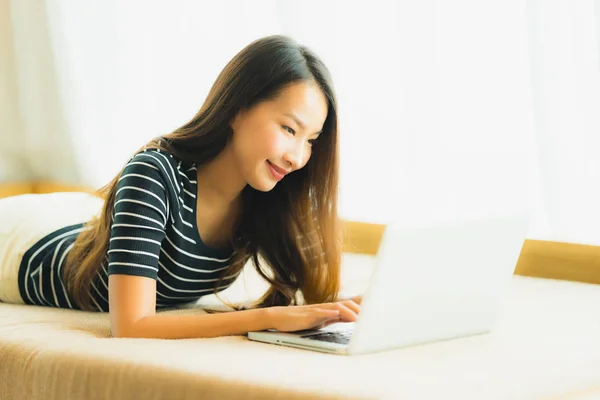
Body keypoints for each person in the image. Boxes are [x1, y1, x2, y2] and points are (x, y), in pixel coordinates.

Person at [0, 34, 361, 339]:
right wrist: (267, 319)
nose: (298, 157)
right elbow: (130, 326)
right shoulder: (154, 174)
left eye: (311, 140)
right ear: (237, 109)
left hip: (78, 224)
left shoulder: (268, 195)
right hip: (19, 248)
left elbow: (313, 295)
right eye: (289, 129)